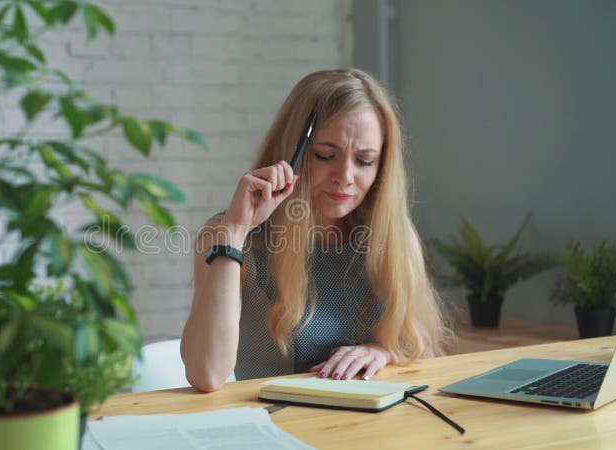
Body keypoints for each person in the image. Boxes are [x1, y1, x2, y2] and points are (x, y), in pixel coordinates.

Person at [181, 68, 453, 392]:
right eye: (326, 155)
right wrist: (236, 232)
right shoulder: (228, 236)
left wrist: (382, 352)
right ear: (291, 154)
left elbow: (422, 351)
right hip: (277, 428)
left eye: (365, 161)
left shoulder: (395, 236)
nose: (345, 176)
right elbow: (206, 374)